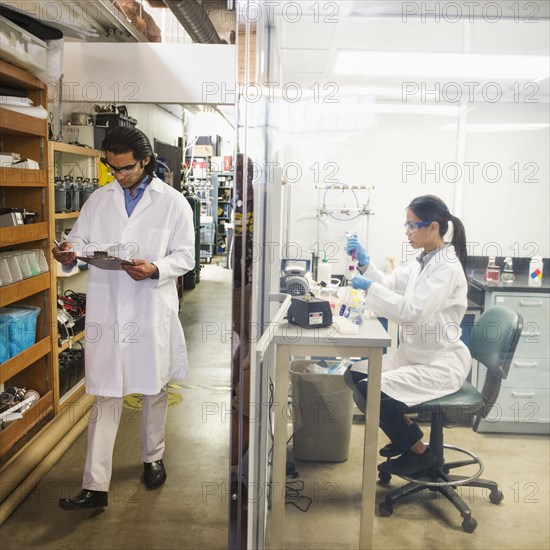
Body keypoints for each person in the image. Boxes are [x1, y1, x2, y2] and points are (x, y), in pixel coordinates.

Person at [53, 127, 195, 510]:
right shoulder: (100, 199)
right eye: (112, 168)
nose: (119, 175)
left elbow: (186, 256)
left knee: (154, 388)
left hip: (150, 304)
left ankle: (153, 457)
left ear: (145, 161)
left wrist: (155, 268)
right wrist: (69, 253)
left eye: (126, 168)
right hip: (109, 306)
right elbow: (78, 241)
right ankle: (95, 486)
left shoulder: (174, 202)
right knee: (107, 393)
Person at [344, 195, 471, 476]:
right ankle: (408, 435)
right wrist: (366, 265)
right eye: (407, 225)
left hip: (439, 364)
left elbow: (413, 311)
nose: (407, 231)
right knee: (354, 373)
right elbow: (390, 283)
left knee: (370, 387)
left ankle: (419, 452)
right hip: (414, 356)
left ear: (433, 227)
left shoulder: (446, 268)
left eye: (413, 226)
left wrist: (368, 289)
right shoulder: (422, 261)